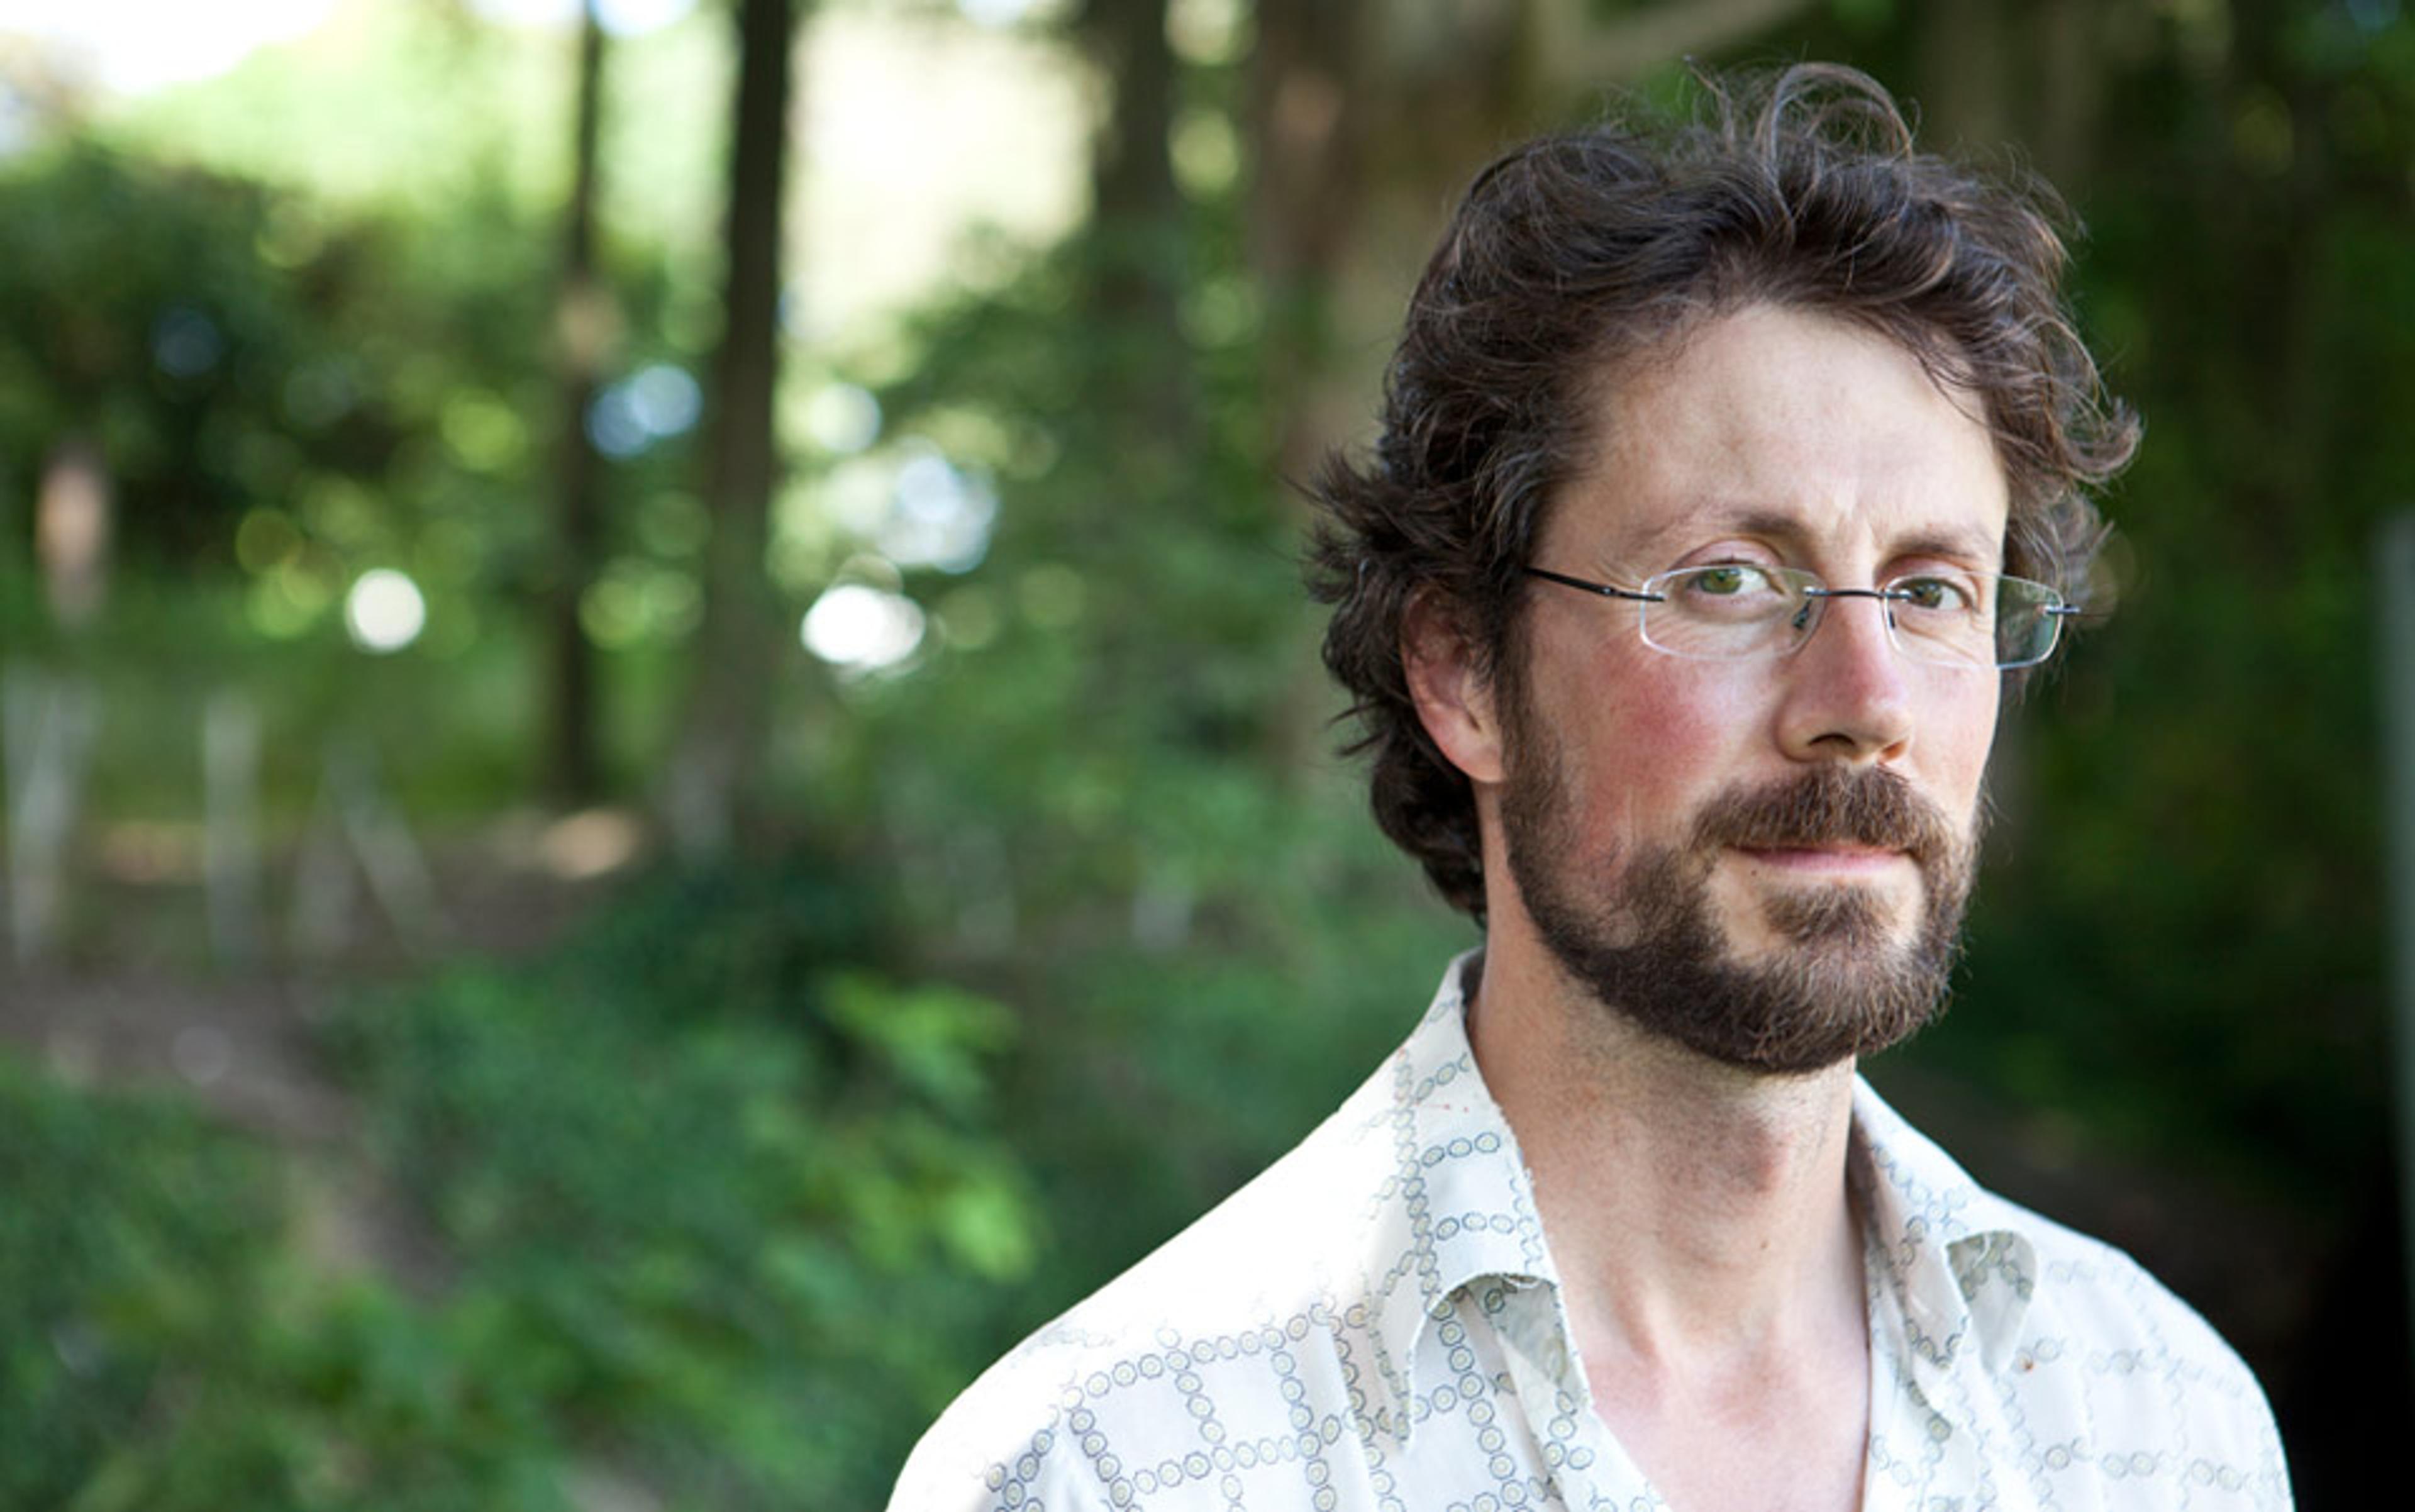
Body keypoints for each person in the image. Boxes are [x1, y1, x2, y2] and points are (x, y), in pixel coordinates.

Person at [887, 62, 2291, 1511]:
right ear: (1464, 674)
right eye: (1730, 579)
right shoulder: (1118, 1465)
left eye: (1934, 590)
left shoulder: (2161, 1419)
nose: (1867, 703)